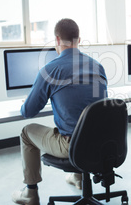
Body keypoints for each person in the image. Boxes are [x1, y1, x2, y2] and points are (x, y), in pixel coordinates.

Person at [12, 18, 107, 205]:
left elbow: (28, 111)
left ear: (57, 40)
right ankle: (77, 177)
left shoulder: (50, 70)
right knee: (80, 123)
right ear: (79, 40)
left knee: (26, 132)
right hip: (101, 143)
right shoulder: (98, 66)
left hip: (71, 146)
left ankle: (30, 193)